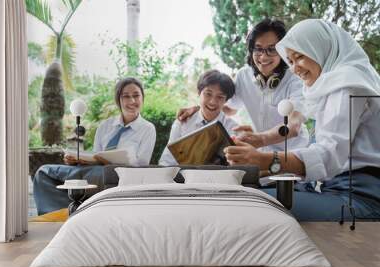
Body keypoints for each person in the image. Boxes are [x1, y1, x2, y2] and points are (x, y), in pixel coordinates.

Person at [224, 19, 380, 220]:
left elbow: (327, 154)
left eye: (299, 57)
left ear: (320, 48)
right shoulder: (336, 82)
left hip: (358, 195)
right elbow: (227, 106)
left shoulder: (346, 84)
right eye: (290, 60)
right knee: (246, 196)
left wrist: (262, 158)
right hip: (331, 185)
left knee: (248, 203)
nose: (295, 68)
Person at [178, 19, 309, 153]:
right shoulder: (243, 75)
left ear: (282, 51)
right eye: (258, 49)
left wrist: (261, 139)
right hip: (261, 153)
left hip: (294, 153)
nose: (263, 57)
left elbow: (294, 125)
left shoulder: (295, 77)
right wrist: (199, 108)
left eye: (272, 49)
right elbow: (228, 108)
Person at [33, 77, 156, 215]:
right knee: (44, 172)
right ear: (118, 100)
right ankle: (61, 215)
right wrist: (78, 160)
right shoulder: (105, 126)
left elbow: (142, 165)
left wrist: (108, 161)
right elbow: (96, 155)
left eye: (136, 95)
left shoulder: (147, 129)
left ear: (142, 98)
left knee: (82, 177)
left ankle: (71, 214)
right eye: (126, 96)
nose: (132, 101)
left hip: (120, 176)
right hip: (95, 171)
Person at [159, 69, 238, 166]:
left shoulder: (233, 128)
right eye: (208, 94)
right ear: (199, 93)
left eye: (220, 97)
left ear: (226, 100)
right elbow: (167, 161)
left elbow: (236, 165)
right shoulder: (183, 122)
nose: (212, 102)